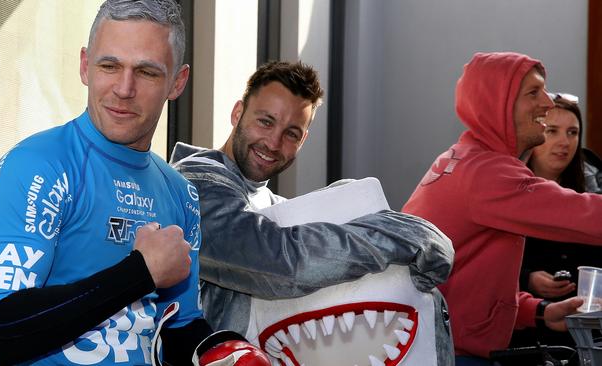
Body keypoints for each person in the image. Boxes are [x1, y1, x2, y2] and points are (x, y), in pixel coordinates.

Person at [0, 1, 269, 365]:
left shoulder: (179, 192)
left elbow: (179, 327)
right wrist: (140, 272)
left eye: (146, 72)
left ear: (178, 82)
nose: (124, 89)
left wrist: (226, 351)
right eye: (109, 66)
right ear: (84, 66)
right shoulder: (36, 166)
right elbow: (0, 330)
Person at [170, 60, 456, 365]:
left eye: (291, 133)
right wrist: (396, 235)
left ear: (303, 140)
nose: (273, 142)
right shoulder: (193, 185)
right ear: (237, 113)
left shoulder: (270, 202)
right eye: (265, 121)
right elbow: (277, 262)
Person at [402, 51, 602, 365]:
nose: (548, 103)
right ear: (498, 103)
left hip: (438, 344)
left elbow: (465, 280)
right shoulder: (487, 172)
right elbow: (583, 216)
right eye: (533, 93)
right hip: (450, 355)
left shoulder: (463, 158)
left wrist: (539, 311)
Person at [511, 93, 602, 353]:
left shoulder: (594, 190)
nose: (564, 142)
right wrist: (527, 278)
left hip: (586, 332)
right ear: (535, 135)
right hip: (523, 332)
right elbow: (487, 260)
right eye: (552, 131)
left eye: (573, 133)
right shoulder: (506, 190)